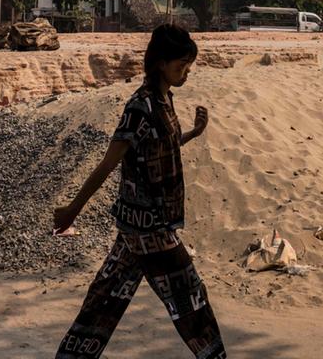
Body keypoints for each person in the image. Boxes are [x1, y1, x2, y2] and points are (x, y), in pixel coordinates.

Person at [53, 24, 226, 359]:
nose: (186, 72)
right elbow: (107, 164)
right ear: (160, 63)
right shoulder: (139, 108)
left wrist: (194, 132)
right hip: (151, 230)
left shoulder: (163, 101)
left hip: (138, 228)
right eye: (180, 66)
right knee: (191, 300)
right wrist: (73, 210)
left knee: (103, 299)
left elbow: (165, 147)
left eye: (188, 65)